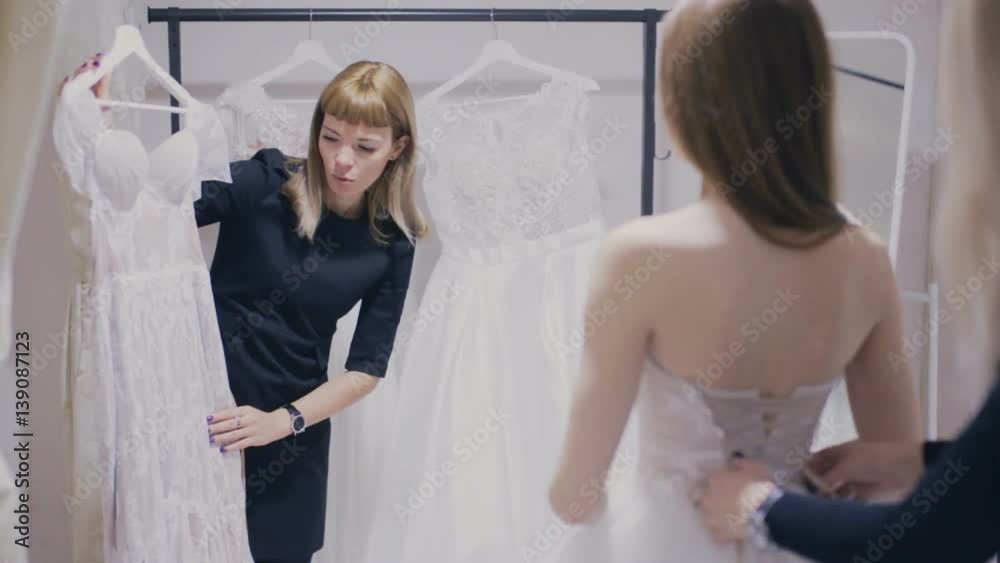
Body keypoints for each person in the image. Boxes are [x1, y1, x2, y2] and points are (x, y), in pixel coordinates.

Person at [545, 1, 921, 561]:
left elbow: (575, 496)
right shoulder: (864, 257)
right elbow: (895, 467)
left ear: (681, 103)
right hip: (799, 535)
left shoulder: (641, 257)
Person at [66, 57, 427, 563]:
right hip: (202, 419)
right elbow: (151, 210)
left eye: (365, 147)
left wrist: (283, 422)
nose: (342, 160)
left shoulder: (392, 244)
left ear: (397, 148)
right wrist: (97, 127)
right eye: (330, 138)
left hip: (290, 439)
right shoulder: (264, 180)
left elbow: (366, 370)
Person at [698, 2, 1000, 562]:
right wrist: (919, 460)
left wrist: (761, 507)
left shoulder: (640, 257)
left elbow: (934, 534)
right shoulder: (859, 253)